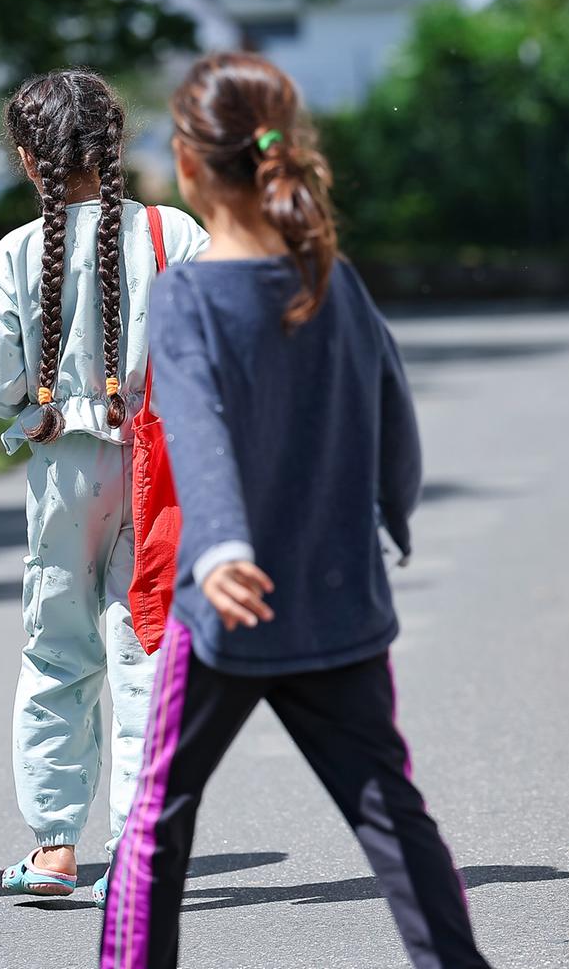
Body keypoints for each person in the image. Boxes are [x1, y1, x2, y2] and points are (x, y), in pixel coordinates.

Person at [99, 52, 491, 969]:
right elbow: (394, 420)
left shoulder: (190, 295)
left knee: (158, 822)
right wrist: (391, 516)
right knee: (392, 813)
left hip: (227, 615)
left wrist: (224, 546)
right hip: (338, 598)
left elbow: (193, 426)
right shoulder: (335, 281)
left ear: (190, 168)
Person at [0, 69, 210, 908]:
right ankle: (136, 856)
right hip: (153, 467)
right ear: (117, 145)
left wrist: (37, 411)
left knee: (55, 651)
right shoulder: (172, 233)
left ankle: (55, 848)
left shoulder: (16, 253)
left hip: (64, 472)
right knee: (143, 650)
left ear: (29, 162)